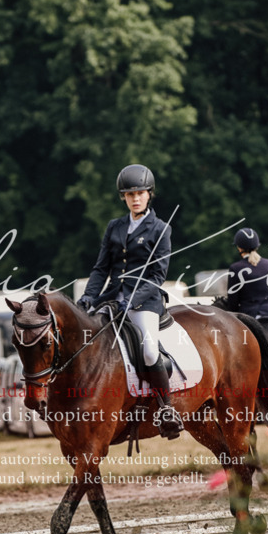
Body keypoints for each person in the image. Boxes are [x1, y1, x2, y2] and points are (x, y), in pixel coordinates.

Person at [77, 164, 184, 439]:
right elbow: (101, 268)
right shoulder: (115, 227)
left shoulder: (161, 229)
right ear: (123, 197)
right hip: (112, 298)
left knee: (148, 350)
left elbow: (157, 276)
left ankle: (166, 409)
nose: (135, 198)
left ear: (149, 195)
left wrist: (132, 301)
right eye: (130, 194)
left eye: (140, 193)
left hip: (145, 302)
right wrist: (89, 296)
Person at [219, 227, 268, 398]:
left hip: (249, 317)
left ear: (239, 247)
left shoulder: (236, 268)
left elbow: (233, 301)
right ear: (257, 245)